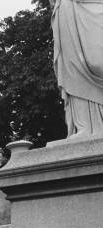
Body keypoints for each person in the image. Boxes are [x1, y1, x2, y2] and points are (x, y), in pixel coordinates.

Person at [50, 0, 103, 138]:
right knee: (73, 67)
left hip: (94, 6)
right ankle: (85, 126)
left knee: (97, 61)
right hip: (68, 7)